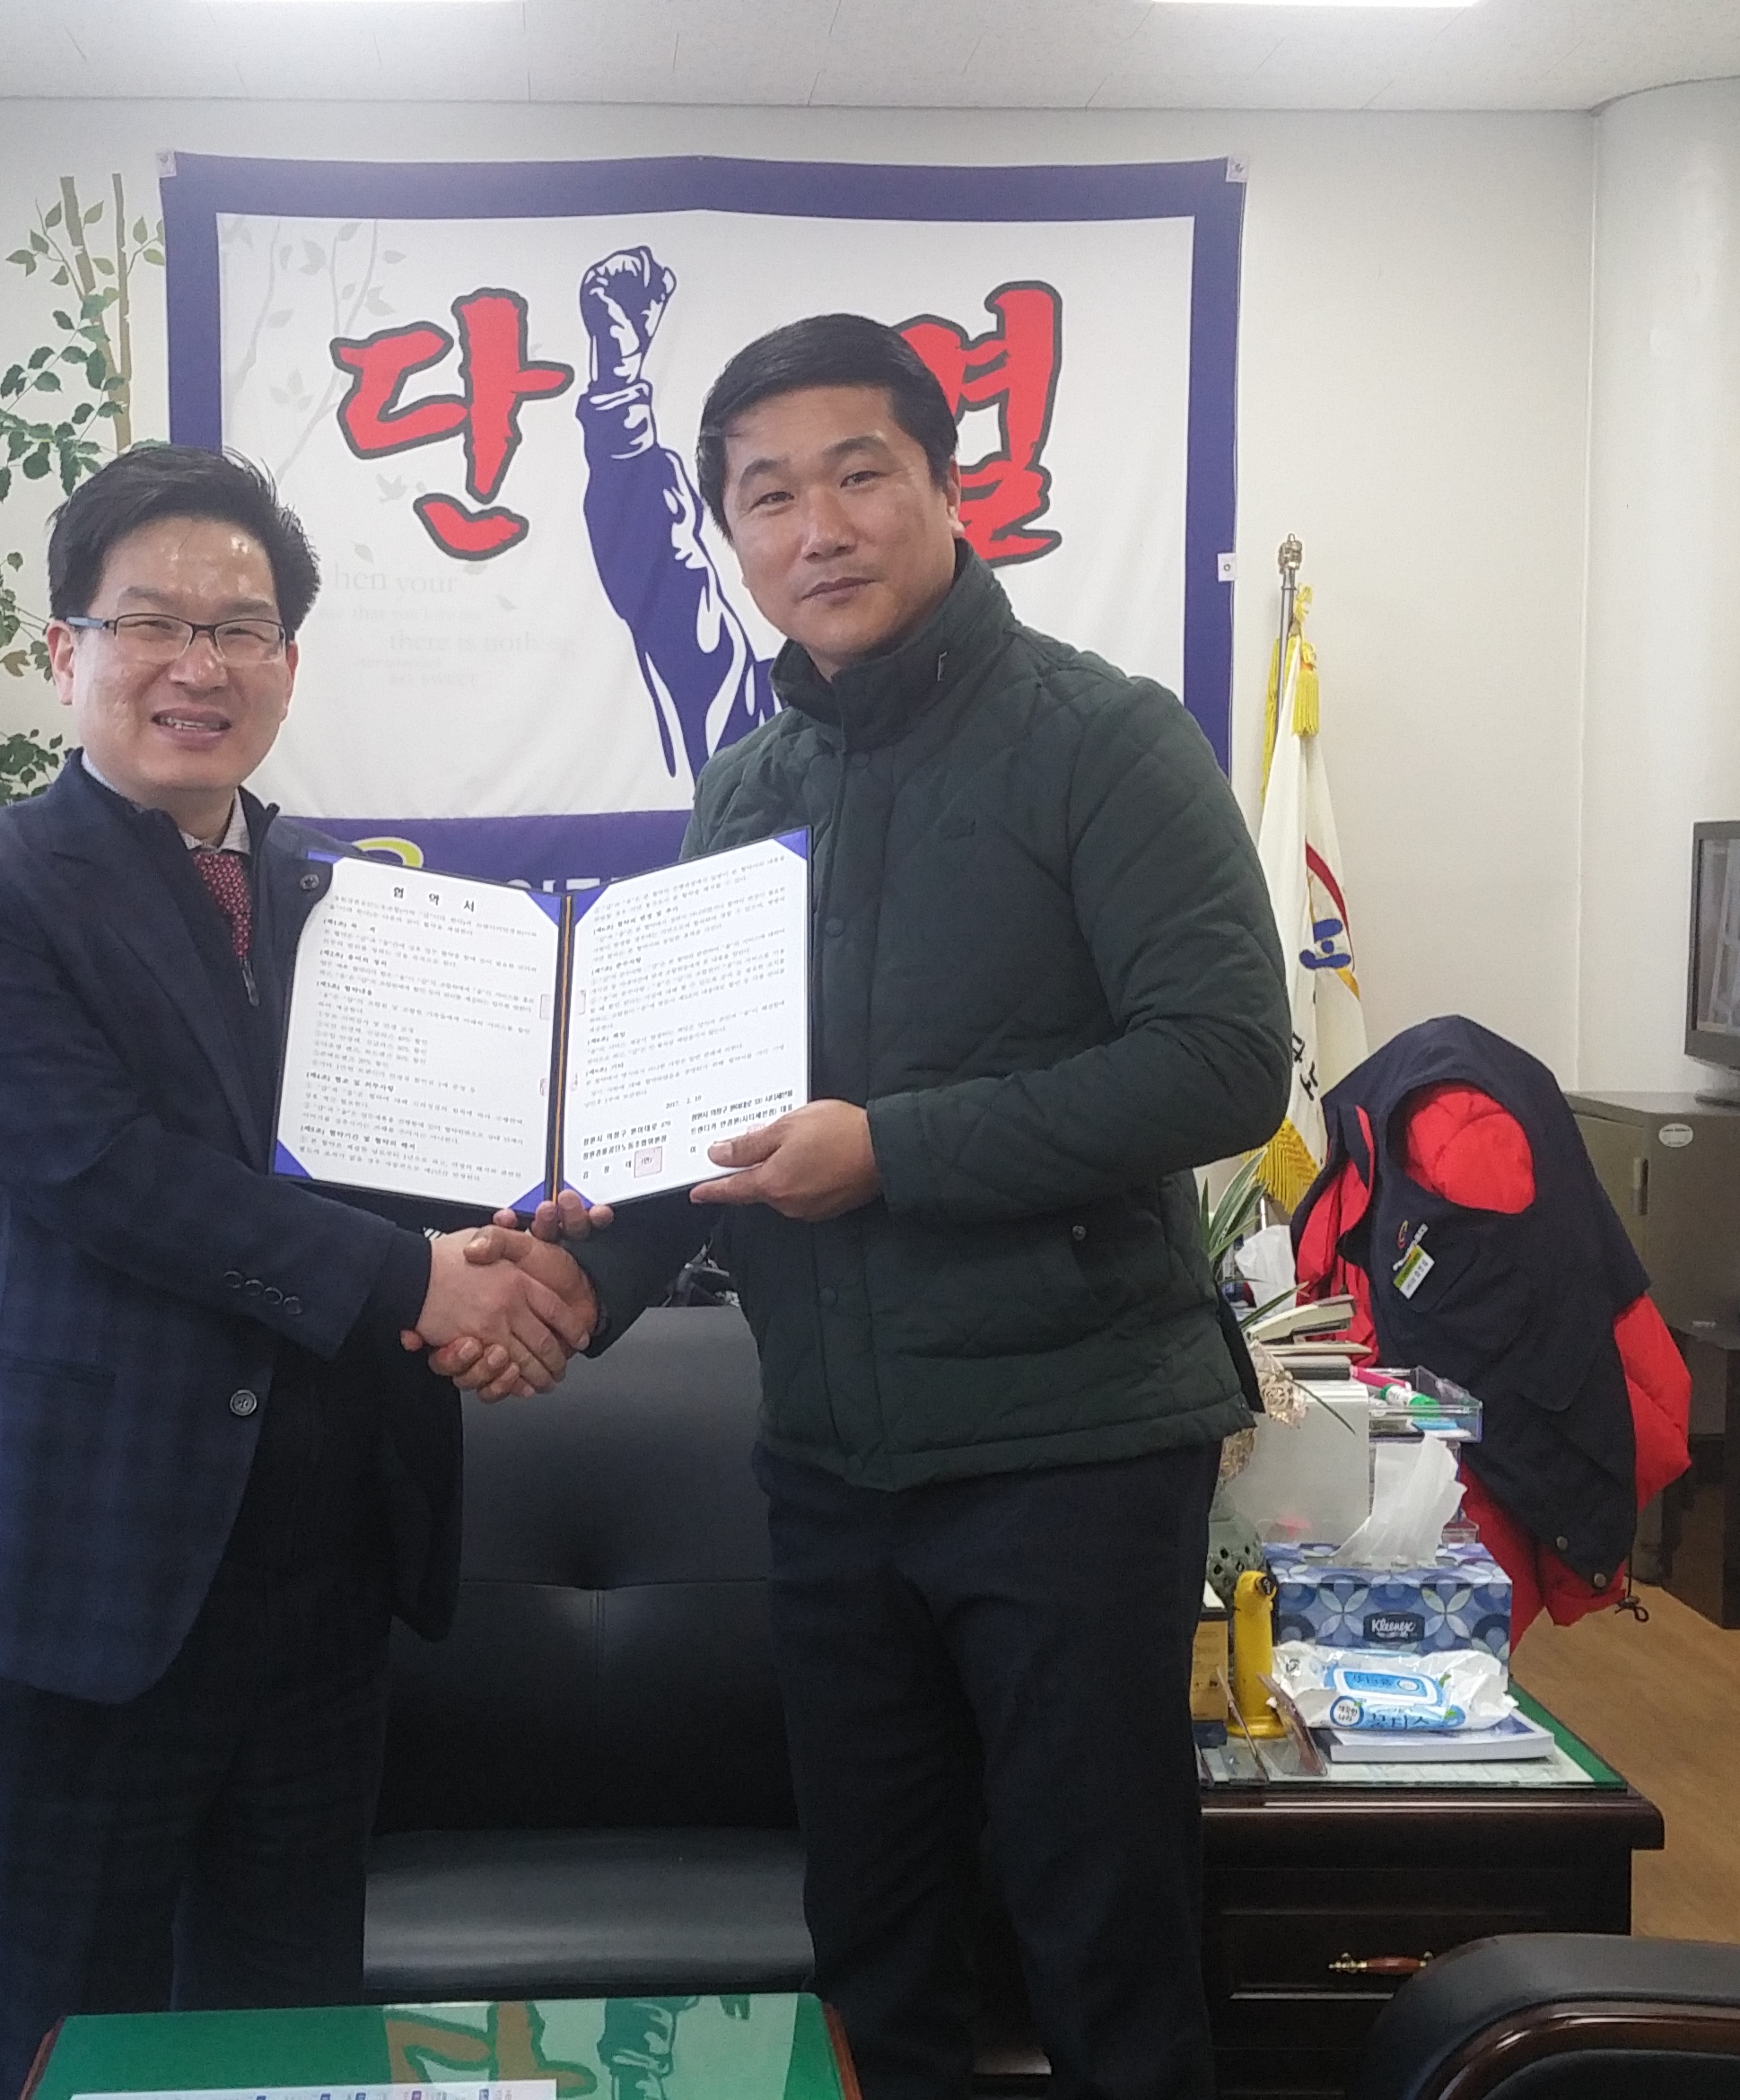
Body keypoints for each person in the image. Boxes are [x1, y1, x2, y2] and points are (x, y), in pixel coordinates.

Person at [462, 316, 1290, 2100]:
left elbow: (1226, 1064)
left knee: (1100, 1934)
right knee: (875, 1936)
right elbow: (708, 1118)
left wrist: (890, 1150)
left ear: (946, 486)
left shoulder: (1103, 739)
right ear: (731, 536)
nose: (817, 527)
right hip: (833, 1469)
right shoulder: (751, 786)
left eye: (859, 474)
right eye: (768, 496)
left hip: (1071, 1454)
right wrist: (577, 1283)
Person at [0, 444, 597, 2099]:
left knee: (287, 2038)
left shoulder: (357, 904)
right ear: (66, 649)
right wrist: (420, 1283)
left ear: (288, 664)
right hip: (91, 1569)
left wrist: (536, 1242)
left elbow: (427, 1170)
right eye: (151, 623)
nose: (198, 665)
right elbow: (104, 1175)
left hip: (324, 1579)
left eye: (241, 629)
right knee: (58, 2042)